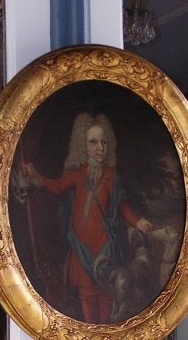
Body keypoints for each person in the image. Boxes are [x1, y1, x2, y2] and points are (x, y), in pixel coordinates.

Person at [23, 113, 153, 324]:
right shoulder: (77, 174)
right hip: (81, 246)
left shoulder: (112, 176)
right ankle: (90, 332)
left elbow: (122, 206)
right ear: (83, 146)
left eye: (104, 142)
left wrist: (138, 222)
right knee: (86, 292)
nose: (100, 148)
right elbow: (56, 187)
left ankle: (103, 334)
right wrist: (36, 175)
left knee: (106, 291)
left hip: (105, 246)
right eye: (93, 142)